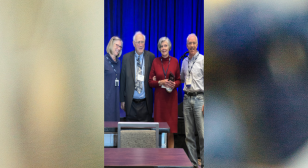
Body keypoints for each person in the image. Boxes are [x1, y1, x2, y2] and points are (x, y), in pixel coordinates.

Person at [148, 37, 181, 148]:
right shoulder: (155, 62)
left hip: (171, 100)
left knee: (171, 129)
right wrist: (160, 82)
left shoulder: (175, 61)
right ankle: (159, 157)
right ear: (159, 48)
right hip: (160, 100)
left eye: (165, 45)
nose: (163, 48)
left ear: (169, 47)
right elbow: (150, 82)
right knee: (160, 128)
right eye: (161, 46)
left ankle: (170, 158)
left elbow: (179, 80)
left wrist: (174, 84)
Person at [180, 33, 204, 168]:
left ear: (197, 44)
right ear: (186, 45)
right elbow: (182, 79)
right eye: (190, 43)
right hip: (187, 99)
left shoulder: (202, 60)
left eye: (194, 43)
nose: (192, 46)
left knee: (203, 135)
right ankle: (194, 164)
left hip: (200, 99)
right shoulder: (184, 62)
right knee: (189, 135)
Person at [120, 31, 155, 121]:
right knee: (131, 132)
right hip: (130, 103)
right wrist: (122, 100)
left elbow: (154, 76)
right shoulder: (126, 58)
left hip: (145, 103)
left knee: (146, 133)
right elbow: (122, 80)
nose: (140, 44)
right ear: (133, 44)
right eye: (138, 42)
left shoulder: (151, 57)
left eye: (142, 42)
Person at [104, 36, 123, 121]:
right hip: (106, 100)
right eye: (117, 45)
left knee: (114, 126)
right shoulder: (103, 60)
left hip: (115, 99)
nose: (118, 48)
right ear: (111, 45)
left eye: (120, 46)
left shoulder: (119, 62)